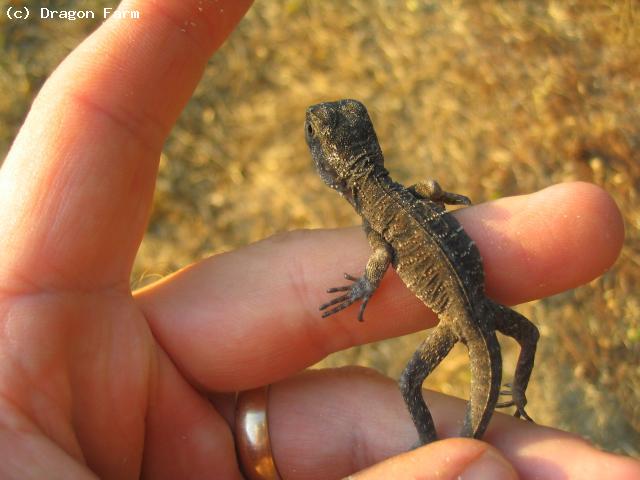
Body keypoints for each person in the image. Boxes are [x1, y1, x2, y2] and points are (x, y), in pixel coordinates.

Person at [0, 1, 638, 478]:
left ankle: (433, 447)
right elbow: (419, 205)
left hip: (456, 316)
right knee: (522, 334)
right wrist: (438, 198)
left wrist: (367, 284)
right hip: (468, 309)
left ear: (335, 168)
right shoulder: (398, 196)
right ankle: (489, 415)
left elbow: (385, 256)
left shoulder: (381, 217)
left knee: (411, 385)